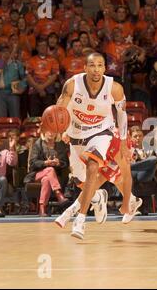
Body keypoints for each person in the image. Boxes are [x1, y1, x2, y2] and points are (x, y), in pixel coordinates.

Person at [54, 53, 142, 239]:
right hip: (76, 133)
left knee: (94, 168)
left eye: (100, 65)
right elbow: (60, 108)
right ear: (85, 68)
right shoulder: (72, 84)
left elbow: (122, 114)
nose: (96, 69)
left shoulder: (114, 88)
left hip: (101, 132)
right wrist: (61, 127)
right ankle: (97, 197)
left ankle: (80, 220)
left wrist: (124, 141)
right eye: (92, 65)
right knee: (81, 182)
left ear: (105, 68)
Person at [24, 130, 69, 217]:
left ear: (56, 133)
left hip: (53, 176)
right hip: (36, 174)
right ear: (44, 133)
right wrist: (45, 163)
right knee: (50, 169)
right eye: (48, 131)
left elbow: (65, 163)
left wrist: (58, 163)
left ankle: (42, 209)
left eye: (53, 131)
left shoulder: (60, 145)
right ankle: (58, 194)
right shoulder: (38, 145)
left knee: (46, 180)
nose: (51, 133)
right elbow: (33, 163)